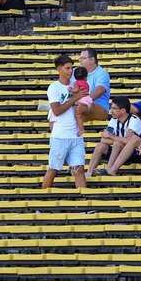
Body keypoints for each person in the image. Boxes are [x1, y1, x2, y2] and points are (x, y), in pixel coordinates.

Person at [43, 55, 87, 189]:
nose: (70, 71)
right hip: (60, 136)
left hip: (75, 135)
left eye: (71, 68)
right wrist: (74, 98)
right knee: (53, 170)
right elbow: (56, 110)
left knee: (79, 170)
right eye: (67, 68)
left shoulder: (76, 85)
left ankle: (85, 206)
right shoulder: (54, 88)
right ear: (58, 69)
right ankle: (41, 203)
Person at [86, 96, 141, 177]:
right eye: (111, 108)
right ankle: (89, 172)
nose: (111, 111)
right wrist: (121, 140)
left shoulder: (134, 121)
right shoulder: (113, 120)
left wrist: (112, 137)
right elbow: (103, 139)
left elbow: (133, 142)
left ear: (123, 110)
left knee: (117, 144)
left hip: (135, 154)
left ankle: (109, 170)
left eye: (114, 108)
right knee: (100, 146)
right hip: (118, 151)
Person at [78, 47, 112, 125]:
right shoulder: (75, 72)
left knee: (83, 107)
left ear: (92, 60)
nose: (80, 61)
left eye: (83, 58)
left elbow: (99, 90)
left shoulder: (102, 73)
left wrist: (84, 101)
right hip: (78, 103)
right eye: (80, 58)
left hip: (99, 107)